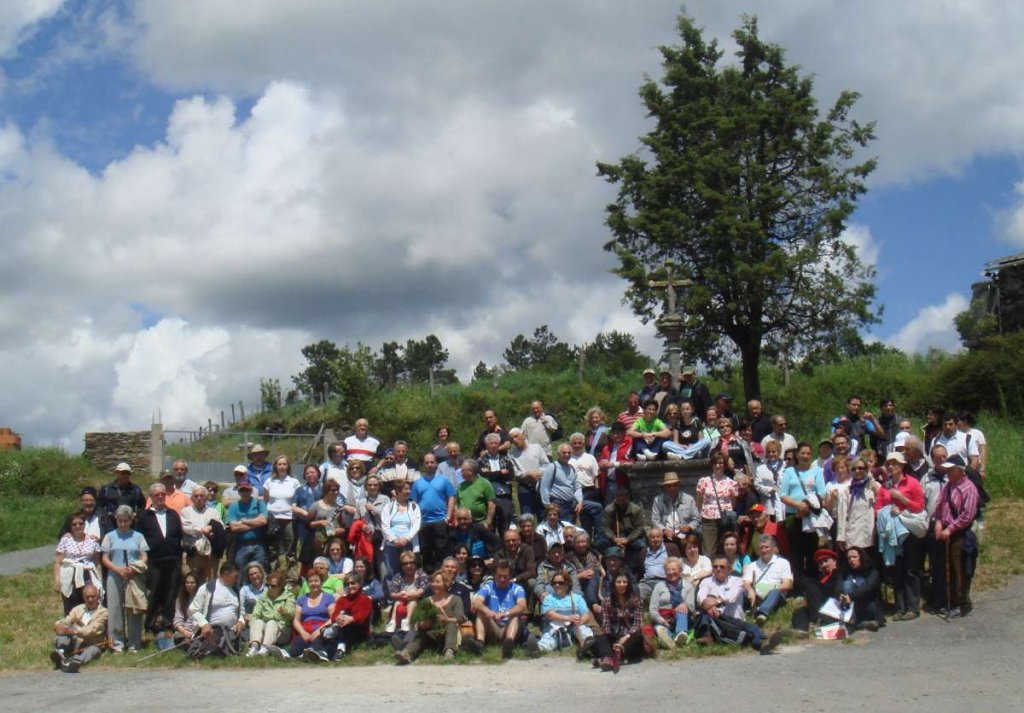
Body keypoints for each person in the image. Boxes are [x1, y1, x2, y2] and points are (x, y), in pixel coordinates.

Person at [696, 556, 782, 654]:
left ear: (729, 570)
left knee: (752, 628)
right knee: (704, 614)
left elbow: (732, 597)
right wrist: (708, 604)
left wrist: (716, 601)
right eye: (715, 567)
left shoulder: (737, 581)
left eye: (722, 567)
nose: (718, 569)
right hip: (717, 618)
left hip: (734, 620)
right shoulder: (707, 581)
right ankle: (707, 636)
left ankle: (763, 643)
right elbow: (700, 596)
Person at [876, 451, 926, 621]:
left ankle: (912, 607)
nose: (891, 466)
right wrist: (886, 513)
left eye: (895, 463)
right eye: (889, 463)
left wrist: (902, 502)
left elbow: (919, 506)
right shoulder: (885, 485)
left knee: (911, 569)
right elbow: (878, 507)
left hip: (909, 531)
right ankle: (900, 607)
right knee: (896, 570)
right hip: (892, 533)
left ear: (902, 465)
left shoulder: (912, 483)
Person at [932, 455, 980, 617]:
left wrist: (950, 528)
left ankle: (962, 602)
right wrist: (939, 522)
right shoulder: (948, 486)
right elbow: (940, 505)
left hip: (960, 533)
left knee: (960, 569)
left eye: (950, 469)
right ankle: (950, 600)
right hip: (945, 531)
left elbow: (967, 515)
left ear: (959, 471)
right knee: (948, 569)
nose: (947, 471)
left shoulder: (969, 488)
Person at [100, 505, 148, 653]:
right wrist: (116, 569)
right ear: (116, 520)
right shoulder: (110, 536)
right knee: (114, 609)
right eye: (120, 521)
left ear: (131, 520)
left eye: (126, 521)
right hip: (115, 575)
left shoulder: (138, 536)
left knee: (133, 609)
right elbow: (105, 558)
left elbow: (144, 556)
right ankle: (117, 644)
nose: (123, 524)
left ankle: (134, 643)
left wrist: (134, 568)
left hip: (133, 576)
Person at [137, 482, 184, 631]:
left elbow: (179, 536)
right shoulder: (144, 516)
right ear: (151, 497)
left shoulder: (173, 514)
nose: (160, 497)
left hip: (172, 561)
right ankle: (150, 626)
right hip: (154, 561)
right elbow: (139, 538)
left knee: (171, 594)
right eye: (156, 494)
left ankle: (167, 624)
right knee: (154, 593)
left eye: (162, 494)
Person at [395, 570, 468, 663]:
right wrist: (423, 624)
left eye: (437, 582)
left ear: (445, 583)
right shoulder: (426, 601)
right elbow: (415, 623)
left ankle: (449, 652)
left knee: (451, 625)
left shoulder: (456, 599)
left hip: (449, 635)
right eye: (432, 581)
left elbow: (460, 619)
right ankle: (406, 653)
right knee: (421, 634)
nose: (433, 584)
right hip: (431, 634)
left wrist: (447, 619)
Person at [779, 442, 826, 582]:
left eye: (808, 453)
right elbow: (783, 495)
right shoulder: (789, 472)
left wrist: (807, 505)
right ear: (797, 455)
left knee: (812, 549)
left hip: (810, 514)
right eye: (802, 453)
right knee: (795, 551)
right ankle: (799, 584)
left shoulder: (817, 471)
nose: (805, 456)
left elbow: (822, 493)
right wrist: (798, 505)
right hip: (794, 514)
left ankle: (813, 582)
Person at [472, 560, 535, 658]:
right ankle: (480, 644)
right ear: (494, 575)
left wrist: (506, 613)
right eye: (499, 576)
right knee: (481, 613)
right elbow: (476, 602)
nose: (502, 579)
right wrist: (487, 611)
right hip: (493, 625)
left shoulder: (517, 588)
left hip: (508, 626)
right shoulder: (489, 587)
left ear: (510, 576)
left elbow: (522, 606)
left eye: (505, 576)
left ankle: (508, 644)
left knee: (515, 616)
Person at [411, 451, 456, 572]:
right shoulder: (417, 483)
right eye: (427, 462)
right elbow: (413, 502)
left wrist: (448, 516)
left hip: (440, 521)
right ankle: (429, 579)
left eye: (432, 462)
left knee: (442, 551)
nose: (430, 465)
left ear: (436, 464)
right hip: (423, 523)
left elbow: (451, 497)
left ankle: (443, 577)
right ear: (423, 465)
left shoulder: (443, 480)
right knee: (426, 552)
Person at [188, 562, 244, 659]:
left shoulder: (237, 591)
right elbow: (193, 610)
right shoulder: (208, 588)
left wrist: (240, 621)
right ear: (226, 574)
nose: (237, 580)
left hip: (231, 633)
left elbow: (241, 612)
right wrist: (204, 624)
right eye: (235, 576)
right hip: (212, 631)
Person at [592, 572, 647, 671]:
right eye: (618, 582)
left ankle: (613, 656)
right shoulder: (607, 602)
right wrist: (613, 639)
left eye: (624, 582)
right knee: (601, 637)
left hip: (630, 637)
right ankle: (608, 658)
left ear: (629, 584)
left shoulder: (637, 601)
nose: (622, 585)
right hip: (615, 636)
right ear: (614, 584)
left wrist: (625, 638)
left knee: (638, 636)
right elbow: (606, 624)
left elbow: (637, 624)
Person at [53, 511, 103, 615]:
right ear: (70, 526)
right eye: (74, 524)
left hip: (87, 575)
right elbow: (58, 561)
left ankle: (88, 629)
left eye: (81, 523)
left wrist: (100, 580)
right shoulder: (65, 540)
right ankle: (71, 629)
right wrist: (57, 580)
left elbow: (97, 562)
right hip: (70, 575)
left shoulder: (92, 541)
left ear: (85, 524)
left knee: (90, 602)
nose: (78, 526)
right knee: (70, 605)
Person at [50, 584, 108, 673]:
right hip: (75, 642)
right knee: (64, 632)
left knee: (93, 650)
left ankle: (75, 663)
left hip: (91, 643)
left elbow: (92, 630)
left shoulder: (103, 612)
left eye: (93, 597)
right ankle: (61, 653)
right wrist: (59, 625)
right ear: (84, 598)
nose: (90, 600)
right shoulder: (78, 609)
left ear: (98, 597)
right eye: (87, 597)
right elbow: (67, 620)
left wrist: (74, 631)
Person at [538, 572, 596, 654]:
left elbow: (586, 615)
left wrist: (580, 621)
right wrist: (568, 618)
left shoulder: (577, 598)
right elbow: (550, 615)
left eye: (560, 583)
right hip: (555, 627)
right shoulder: (548, 598)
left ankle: (588, 645)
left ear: (567, 584)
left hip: (574, 626)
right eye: (554, 583)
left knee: (584, 630)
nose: (557, 585)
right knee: (548, 639)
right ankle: (538, 648)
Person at [741, 535, 793, 625]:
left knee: (775, 592)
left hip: (775, 594)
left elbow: (787, 584)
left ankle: (761, 614)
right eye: (761, 548)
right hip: (756, 594)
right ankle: (741, 612)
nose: (764, 550)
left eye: (767, 547)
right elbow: (746, 582)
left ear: (773, 548)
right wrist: (750, 590)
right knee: (741, 592)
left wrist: (768, 591)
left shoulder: (783, 563)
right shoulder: (752, 565)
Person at [695, 451, 738, 556]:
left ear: (725, 465)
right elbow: (699, 500)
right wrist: (705, 511)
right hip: (708, 519)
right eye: (715, 463)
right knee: (709, 551)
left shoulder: (732, 483)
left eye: (721, 463)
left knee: (727, 549)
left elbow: (733, 502)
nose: (718, 465)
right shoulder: (703, 481)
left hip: (726, 519)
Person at [290, 570, 338, 661]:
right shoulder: (301, 599)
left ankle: (312, 653)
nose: (313, 583)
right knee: (294, 651)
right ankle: (304, 654)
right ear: (307, 583)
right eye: (310, 581)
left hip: (323, 629)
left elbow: (333, 618)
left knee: (318, 642)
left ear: (321, 582)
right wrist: (303, 632)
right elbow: (296, 620)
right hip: (306, 629)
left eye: (316, 581)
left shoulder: (329, 597)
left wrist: (319, 631)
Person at [246, 569, 295, 658]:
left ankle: (265, 648)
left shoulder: (289, 596)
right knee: (257, 621)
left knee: (272, 623)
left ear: (280, 587)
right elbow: (255, 614)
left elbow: (291, 615)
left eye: (272, 586)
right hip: (264, 629)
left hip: (282, 631)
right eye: (267, 585)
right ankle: (254, 647)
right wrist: (253, 624)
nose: (269, 588)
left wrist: (285, 612)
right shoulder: (264, 596)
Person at [263, 455, 300, 571]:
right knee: (272, 548)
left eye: (284, 464)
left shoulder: (294, 482)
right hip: (273, 518)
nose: (282, 467)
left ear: (288, 466)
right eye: (280, 464)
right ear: (275, 466)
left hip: (289, 518)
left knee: (290, 549)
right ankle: (273, 573)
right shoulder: (269, 481)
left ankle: (291, 575)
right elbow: (266, 499)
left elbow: (297, 500)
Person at [648, 557, 695, 649]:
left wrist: (685, 604)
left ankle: (681, 633)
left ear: (680, 571)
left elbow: (692, 607)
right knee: (660, 628)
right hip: (664, 618)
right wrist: (661, 620)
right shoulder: (659, 586)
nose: (671, 572)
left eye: (674, 569)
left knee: (681, 609)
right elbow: (653, 609)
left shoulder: (688, 587)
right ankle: (671, 641)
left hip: (683, 618)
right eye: (668, 570)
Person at [180, 485, 223, 583]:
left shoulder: (213, 512)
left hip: (210, 555)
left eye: (202, 496)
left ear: (206, 498)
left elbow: (220, 526)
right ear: (192, 498)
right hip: (192, 554)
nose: (199, 498)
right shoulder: (186, 511)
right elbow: (185, 527)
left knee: (210, 583)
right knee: (191, 582)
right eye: (196, 496)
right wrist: (202, 530)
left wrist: (211, 527)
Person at [381, 480, 422, 580]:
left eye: (409, 489)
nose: (408, 491)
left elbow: (416, 525)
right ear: (398, 491)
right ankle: (393, 594)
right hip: (391, 545)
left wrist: (406, 539)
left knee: (410, 570)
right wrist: (394, 540)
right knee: (391, 572)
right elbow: (385, 525)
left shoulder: (414, 506)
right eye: (406, 489)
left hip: (408, 544)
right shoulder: (388, 506)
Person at [601, 488, 646, 577]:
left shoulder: (636, 510)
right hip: (614, 537)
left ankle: (633, 569)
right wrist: (614, 538)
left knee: (641, 545)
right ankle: (608, 567)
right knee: (600, 543)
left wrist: (628, 539)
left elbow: (640, 528)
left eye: (623, 500)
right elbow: (605, 527)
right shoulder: (609, 509)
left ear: (628, 498)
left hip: (631, 537)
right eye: (618, 500)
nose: (620, 503)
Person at [478, 433, 517, 534]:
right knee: (490, 526)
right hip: (489, 498)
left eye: (496, 443)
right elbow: (482, 477)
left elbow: (510, 476)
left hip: (504, 496)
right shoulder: (481, 460)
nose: (494, 445)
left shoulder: (506, 459)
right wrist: (500, 473)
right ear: (487, 445)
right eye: (491, 443)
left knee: (505, 526)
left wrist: (490, 474)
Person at [568, 431, 604, 539]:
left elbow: (596, 475)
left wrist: (597, 491)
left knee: (587, 520)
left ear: (583, 444)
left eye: (580, 443)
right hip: (573, 492)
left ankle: (591, 541)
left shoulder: (590, 458)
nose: (577, 445)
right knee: (572, 519)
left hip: (589, 490)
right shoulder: (567, 458)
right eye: (575, 443)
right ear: (571, 444)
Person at [328, 573, 374, 657]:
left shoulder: (366, 600)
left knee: (345, 627)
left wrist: (349, 619)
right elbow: (334, 616)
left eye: (353, 583)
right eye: (347, 584)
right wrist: (339, 618)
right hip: (341, 626)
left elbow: (361, 617)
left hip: (359, 630)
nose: (350, 586)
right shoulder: (342, 600)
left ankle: (341, 649)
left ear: (359, 584)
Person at [650, 472, 701, 547]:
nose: (672, 488)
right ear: (664, 487)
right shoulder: (658, 500)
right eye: (669, 486)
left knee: (698, 533)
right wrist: (664, 530)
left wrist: (689, 527)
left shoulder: (689, 499)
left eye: (674, 485)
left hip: (685, 534)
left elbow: (696, 519)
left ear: (678, 485)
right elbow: (655, 520)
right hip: (665, 535)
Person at [226, 482, 268, 570]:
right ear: (239, 492)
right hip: (241, 544)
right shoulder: (234, 506)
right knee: (241, 567)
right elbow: (233, 527)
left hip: (259, 543)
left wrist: (243, 521)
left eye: (247, 491)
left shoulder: (259, 503)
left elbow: (263, 521)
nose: (245, 493)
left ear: (251, 491)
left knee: (259, 570)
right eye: (242, 491)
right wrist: (256, 522)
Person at [839, 546, 883, 630]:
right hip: (849, 606)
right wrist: (841, 596)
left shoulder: (872, 571)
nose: (851, 560)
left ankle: (860, 623)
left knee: (849, 585)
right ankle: (861, 624)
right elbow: (838, 587)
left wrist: (851, 597)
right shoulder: (844, 572)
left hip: (867, 605)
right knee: (846, 584)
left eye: (854, 557)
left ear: (861, 557)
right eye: (849, 558)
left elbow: (869, 588)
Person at [97, 462, 145, 532]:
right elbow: (100, 506)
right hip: (111, 526)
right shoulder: (107, 489)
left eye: (128, 473)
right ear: (117, 473)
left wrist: (136, 515)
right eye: (123, 473)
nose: (125, 475)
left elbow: (142, 505)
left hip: (130, 526)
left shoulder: (135, 489)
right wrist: (107, 515)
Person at [596, 421, 633, 504]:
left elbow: (631, 462)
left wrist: (614, 464)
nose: (616, 435)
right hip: (608, 484)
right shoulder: (607, 447)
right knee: (609, 510)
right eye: (614, 433)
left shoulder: (630, 444)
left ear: (624, 433)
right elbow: (601, 461)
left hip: (623, 484)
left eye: (618, 433)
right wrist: (601, 464)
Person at [566, 531, 603, 607]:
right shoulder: (568, 557)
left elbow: (599, 569)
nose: (581, 545)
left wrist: (592, 572)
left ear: (587, 543)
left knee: (593, 576)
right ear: (573, 544)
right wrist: (579, 576)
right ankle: (592, 604)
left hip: (593, 583)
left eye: (583, 542)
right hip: (576, 584)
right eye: (578, 542)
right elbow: (565, 577)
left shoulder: (594, 554)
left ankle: (593, 603)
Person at [170, 572, 200, 645]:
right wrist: (184, 632)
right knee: (177, 636)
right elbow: (177, 619)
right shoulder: (180, 600)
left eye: (192, 583)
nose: (189, 585)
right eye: (187, 583)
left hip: (199, 630)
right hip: (185, 631)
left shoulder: (202, 599)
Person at [237, 562, 268, 628]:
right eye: (251, 574)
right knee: (251, 602)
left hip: (265, 620)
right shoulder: (244, 590)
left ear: (261, 573)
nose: (254, 576)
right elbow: (240, 608)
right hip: (248, 622)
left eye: (256, 573)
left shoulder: (268, 589)